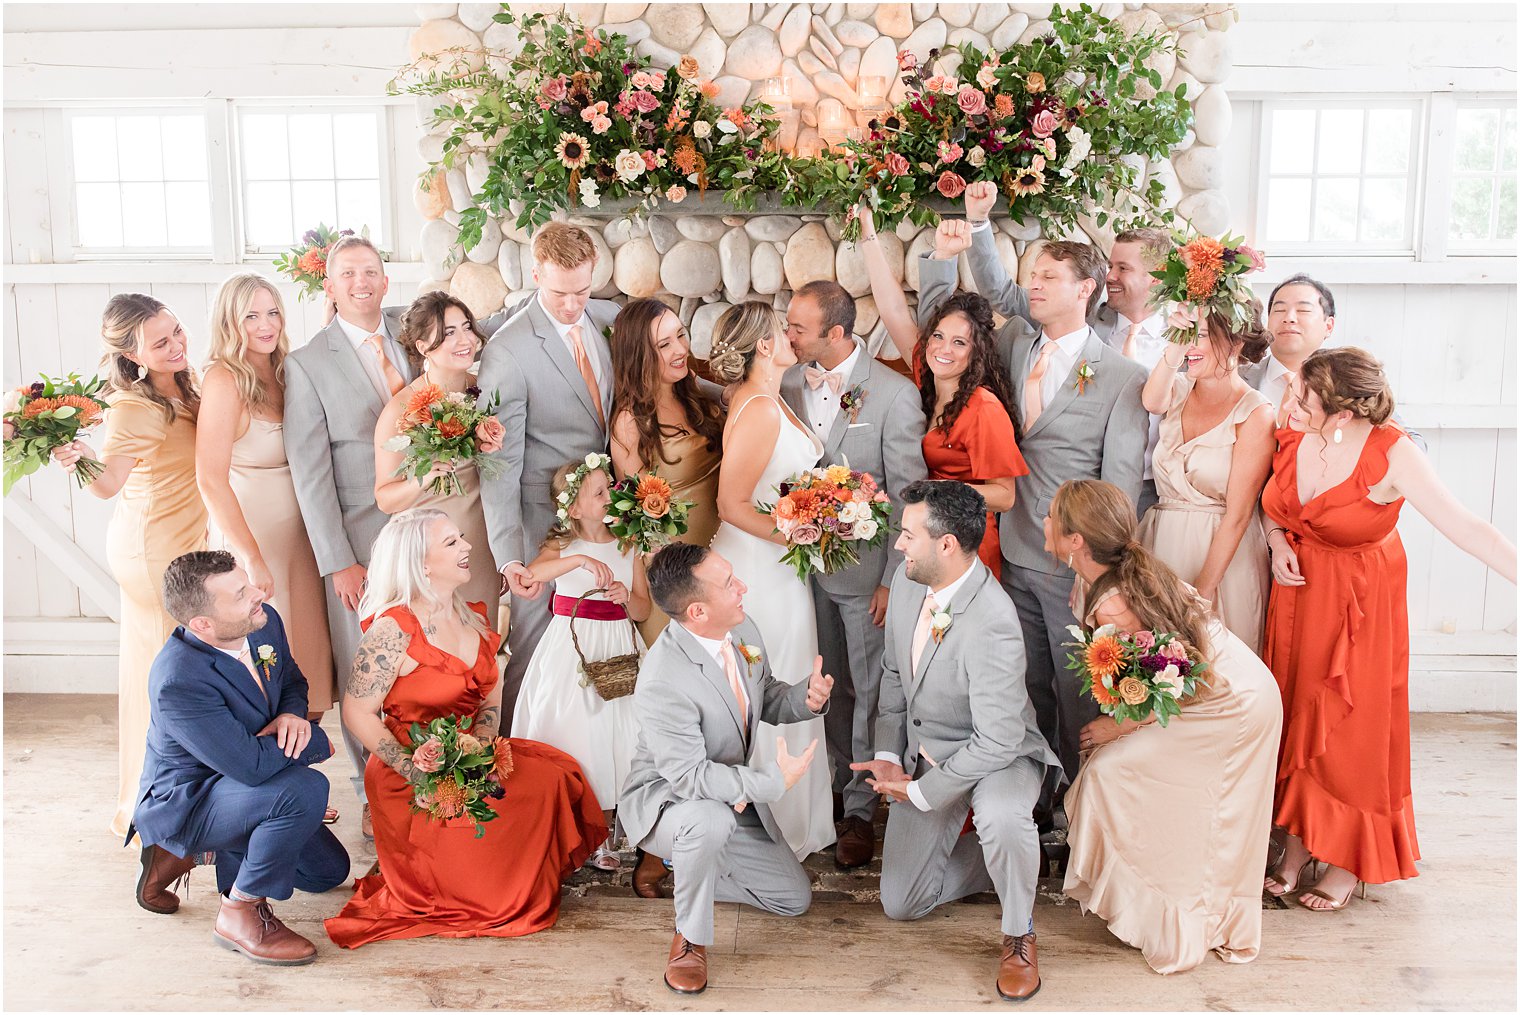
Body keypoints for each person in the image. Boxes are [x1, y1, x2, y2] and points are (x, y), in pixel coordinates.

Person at [1262, 347, 1516, 910]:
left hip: (1359, 605)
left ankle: (1350, 860)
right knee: (1296, 714)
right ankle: (1300, 846)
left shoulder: (1393, 453)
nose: (1291, 400)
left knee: (1353, 730)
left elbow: (1468, 527)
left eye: (1304, 397)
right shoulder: (1295, 426)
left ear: (1344, 414)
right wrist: (1278, 541)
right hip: (1297, 596)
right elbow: (1274, 507)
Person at [917, 202, 1149, 812]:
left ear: (1087, 288)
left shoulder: (1123, 376)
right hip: (1003, 543)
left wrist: (1101, 567)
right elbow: (966, 304)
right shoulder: (1016, 340)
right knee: (1021, 687)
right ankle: (1033, 799)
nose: (1035, 285)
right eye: (1033, 275)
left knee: (1079, 692)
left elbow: (1120, 485)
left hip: (1068, 559)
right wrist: (967, 235)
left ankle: (1085, 808)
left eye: (1049, 276)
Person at [286, 238, 513, 836]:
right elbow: (315, 476)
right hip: (383, 540)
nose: (362, 282)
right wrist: (339, 560)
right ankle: (383, 794)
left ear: (388, 281)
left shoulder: (430, 342)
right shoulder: (311, 364)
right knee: (379, 670)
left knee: (469, 660)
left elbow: (476, 327)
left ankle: (468, 778)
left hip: (467, 544)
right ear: (327, 285)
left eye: (372, 271)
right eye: (347, 274)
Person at [324, 508, 607, 947]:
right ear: (421, 562)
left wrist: (485, 750)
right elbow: (358, 713)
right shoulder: (392, 630)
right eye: (452, 543)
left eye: (461, 539)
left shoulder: (474, 615)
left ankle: (518, 869)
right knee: (496, 905)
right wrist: (419, 772)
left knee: (553, 777)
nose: (468, 547)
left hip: (470, 754)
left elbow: (489, 697)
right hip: (411, 771)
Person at [1048, 480, 1282, 974]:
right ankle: (1184, 908)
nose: (1043, 523)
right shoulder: (1109, 578)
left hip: (1232, 704)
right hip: (1219, 690)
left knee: (1117, 774)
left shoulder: (1114, 604)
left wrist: (1117, 729)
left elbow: (1177, 680)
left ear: (1076, 541)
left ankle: (1181, 916)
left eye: (1051, 517)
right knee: (1141, 782)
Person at [851, 480, 1058, 1002]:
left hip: (1000, 755)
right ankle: (1007, 862)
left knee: (1003, 819)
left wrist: (920, 793)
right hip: (928, 749)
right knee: (901, 903)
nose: (897, 545)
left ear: (946, 545)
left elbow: (997, 738)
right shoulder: (905, 580)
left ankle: (1019, 931)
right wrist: (886, 759)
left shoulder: (993, 622)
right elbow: (895, 674)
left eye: (906, 534)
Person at [618, 542, 831, 995]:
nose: (743, 588)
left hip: (728, 793)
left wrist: (805, 699)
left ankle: (690, 865)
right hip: (670, 799)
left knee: (793, 900)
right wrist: (773, 781)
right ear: (697, 611)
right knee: (708, 818)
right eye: (729, 584)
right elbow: (691, 778)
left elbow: (765, 693)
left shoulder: (742, 627)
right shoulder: (662, 679)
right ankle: (689, 938)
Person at [130, 551, 348, 966]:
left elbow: (292, 681)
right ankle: (240, 912)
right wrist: (316, 742)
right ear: (203, 625)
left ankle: (201, 850)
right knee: (305, 789)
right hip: (194, 798)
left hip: (248, 784)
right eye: (239, 594)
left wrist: (289, 714)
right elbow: (250, 766)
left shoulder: (261, 622)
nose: (256, 595)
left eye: (247, 584)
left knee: (327, 874)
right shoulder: (178, 680)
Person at [779, 279, 927, 868]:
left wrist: (895, 577)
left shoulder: (893, 395)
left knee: (868, 690)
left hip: (867, 577)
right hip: (792, 572)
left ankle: (862, 811)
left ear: (836, 334)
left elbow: (907, 494)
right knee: (819, 684)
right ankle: (826, 793)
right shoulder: (787, 382)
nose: (786, 336)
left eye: (797, 328)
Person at [54, 293, 209, 838]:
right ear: (133, 355)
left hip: (186, 540)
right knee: (166, 680)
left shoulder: (186, 384)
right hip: (152, 551)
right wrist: (75, 457)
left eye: (177, 331)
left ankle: (184, 803)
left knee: (178, 676)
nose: (176, 345)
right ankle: (157, 812)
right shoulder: (132, 407)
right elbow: (106, 485)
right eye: (160, 342)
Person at [707, 301, 835, 859]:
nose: (791, 335)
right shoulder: (758, 407)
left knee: (785, 674)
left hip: (779, 567)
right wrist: (798, 536)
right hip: (761, 568)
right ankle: (767, 829)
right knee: (778, 679)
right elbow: (730, 504)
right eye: (782, 330)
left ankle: (786, 819)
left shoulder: (770, 398)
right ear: (762, 345)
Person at [478, 222, 618, 722]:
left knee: (605, 635)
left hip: (607, 515)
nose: (572, 304)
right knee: (535, 645)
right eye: (559, 292)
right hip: (544, 523)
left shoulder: (609, 318)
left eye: (582, 290)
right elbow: (498, 464)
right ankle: (517, 759)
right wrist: (508, 557)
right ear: (535, 273)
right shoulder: (507, 350)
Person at [197, 274, 336, 727]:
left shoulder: (285, 370)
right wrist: (251, 558)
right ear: (230, 322)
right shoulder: (224, 379)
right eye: (251, 315)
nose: (265, 324)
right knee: (265, 668)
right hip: (257, 540)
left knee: (309, 667)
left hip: (302, 539)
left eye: (272, 312)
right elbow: (210, 479)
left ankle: (300, 772)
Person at [512, 454, 651, 871]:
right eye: (600, 492)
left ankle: (616, 828)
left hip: (619, 646)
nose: (611, 496)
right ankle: (581, 830)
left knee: (625, 734)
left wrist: (628, 597)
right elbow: (532, 577)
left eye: (610, 488)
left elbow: (643, 609)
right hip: (570, 650)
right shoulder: (561, 545)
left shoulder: (630, 543)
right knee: (578, 733)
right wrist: (577, 560)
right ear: (573, 508)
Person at [1137, 303, 1275, 653]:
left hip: (1220, 555)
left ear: (1236, 342)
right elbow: (1152, 401)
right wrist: (1175, 346)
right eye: (1184, 335)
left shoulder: (1256, 413)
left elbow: (1240, 514)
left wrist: (1203, 590)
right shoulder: (1178, 390)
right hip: (1162, 544)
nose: (1189, 347)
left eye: (1198, 336)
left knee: (1214, 662)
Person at [373, 291, 502, 624]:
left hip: (478, 546)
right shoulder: (402, 410)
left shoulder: (486, 393)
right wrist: (426, 476)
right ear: (421, 347)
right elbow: (385, 499)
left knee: (479, 644)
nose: (465, 340)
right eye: (448, 333)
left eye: (466, 328)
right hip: (426, 553)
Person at [608, 297, 726, 642]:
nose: (680, 349)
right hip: (675, 573)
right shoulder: (631, 423)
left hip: (725, 552)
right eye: (664, 344)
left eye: (681, 335)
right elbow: (638, 523)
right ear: (639, 356)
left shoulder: (694, 393)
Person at [1258, 274, 1425, 450]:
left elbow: (1413, 444)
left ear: (1328, 326)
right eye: (1279, 310)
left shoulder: (1348, 379)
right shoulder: (1239, 378)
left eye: (1303, 310)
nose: (1289, 318)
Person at [1093, 225, 1175, 515]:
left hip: (1160, 490)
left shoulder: (1184, 337)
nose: (1110, 276)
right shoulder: (1089, 325)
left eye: (1122, 268)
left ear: (1156, 277)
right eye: (1110, 265)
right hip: (1093, 484)